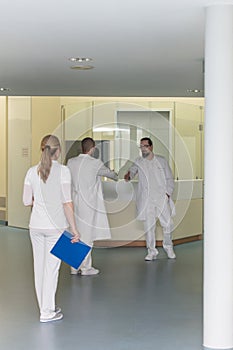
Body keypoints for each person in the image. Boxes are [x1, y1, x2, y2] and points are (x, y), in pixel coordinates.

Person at [23, 135, 80, 323]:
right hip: (56, 228)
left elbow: (25, 201)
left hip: (35, 226)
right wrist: (74, 230)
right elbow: (67, 203)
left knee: (39, 268)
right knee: (51, 270)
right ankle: (47, 312)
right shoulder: (63, 171)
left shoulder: (32, 172)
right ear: (58, 151)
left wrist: (39, 200)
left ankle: (45, 307)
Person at [67, 137, 118, 276]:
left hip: (73, 203)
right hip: (88, 204)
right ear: (93, 148)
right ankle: (86, 268)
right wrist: (116, 174)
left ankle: (74, 266)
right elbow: (110, 174)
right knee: (87, 236)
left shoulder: (71, 162)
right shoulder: (95, 163)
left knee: (75, 234)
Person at [124, 137, 176, 261]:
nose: (143, 149)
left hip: (160, 198)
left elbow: (169, 178)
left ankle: (168, 247)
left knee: (167, 224)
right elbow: (131, 172)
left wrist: (167, 194)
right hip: (147, 200)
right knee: (149, 227)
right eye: (141, 146)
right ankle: (151, 251)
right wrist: (128, 176)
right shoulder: (138, 161)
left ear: (151, 147)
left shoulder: (161, 161)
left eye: (145, 146)